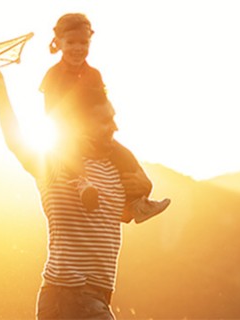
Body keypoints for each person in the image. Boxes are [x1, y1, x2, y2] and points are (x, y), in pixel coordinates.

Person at [0, 57, 126, 319]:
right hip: (69, 293)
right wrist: (1, 90)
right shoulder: (58, 166)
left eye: (114, 118)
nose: (115, 126)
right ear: (82, 124)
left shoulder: (114, 169)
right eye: (105, 120)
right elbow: (16, 140)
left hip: (99, 293)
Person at [44, 12, 169, 223]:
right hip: (68, 132)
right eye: (71, 42)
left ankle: (137, 203)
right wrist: (72, 132)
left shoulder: (94, 74)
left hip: (94, 130)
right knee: (69, 150)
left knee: (124, 155)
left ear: (90, 42)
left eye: (83, 42)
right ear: (59, 42)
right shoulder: (54, 75)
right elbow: (50, 112)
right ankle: (82, 184)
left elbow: (102, 104)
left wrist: (102, 128)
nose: (78, 48)